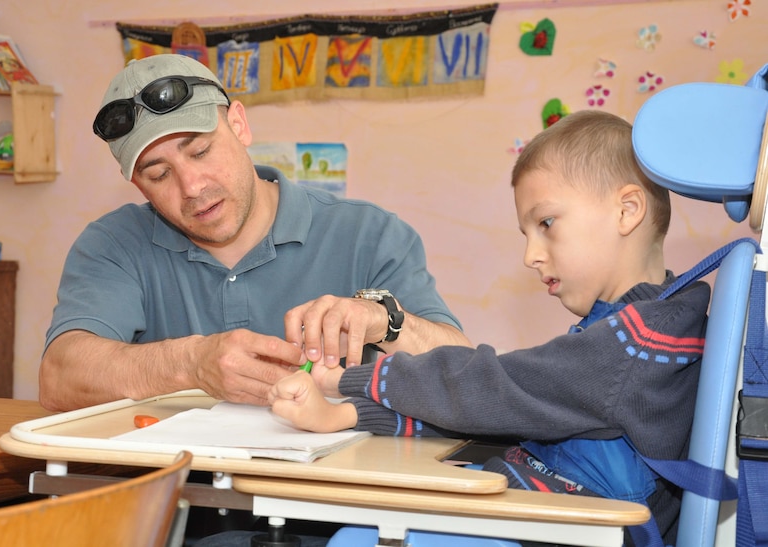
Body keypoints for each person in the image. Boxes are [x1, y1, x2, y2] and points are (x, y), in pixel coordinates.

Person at [38, 53, 470, 546]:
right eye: (159, 174)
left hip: (348, 524)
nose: (192, 187)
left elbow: (463, 376)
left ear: (239, 124)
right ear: (135, 184)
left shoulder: (368, 235)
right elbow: (59, 376)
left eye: (200, 152)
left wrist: (386, 323)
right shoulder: (114, 245)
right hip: (175, 523)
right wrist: (190, 362)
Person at [269, 110, 711, 546]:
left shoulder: (638, 342)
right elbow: (506, 414)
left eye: (546, 224)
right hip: (551, 518)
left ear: (627, 210)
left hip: (573, 532)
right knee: (359, 534)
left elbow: (496, 388)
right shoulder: (631, 331)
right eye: (526, 234)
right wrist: (345, 413)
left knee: (357, 540)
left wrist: (352, 380)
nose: (530, 255)